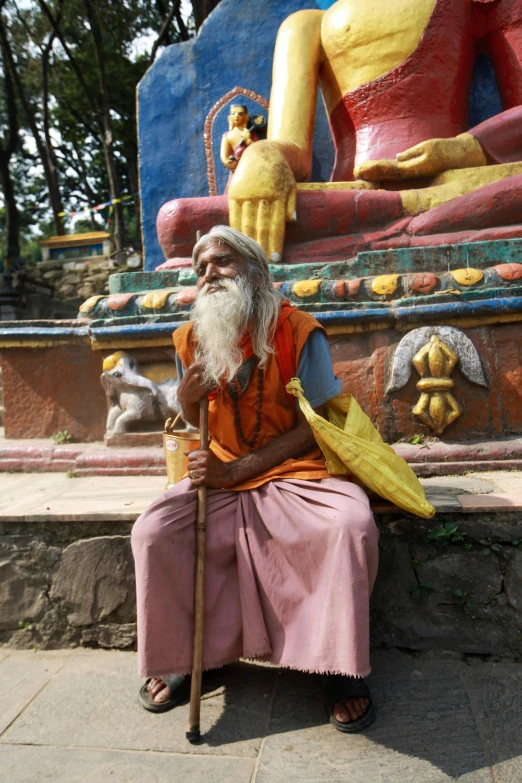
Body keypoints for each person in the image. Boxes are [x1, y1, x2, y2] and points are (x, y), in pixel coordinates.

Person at [131, 225, 380, 732]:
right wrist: (187, 400)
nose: (209, 274)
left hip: (295, 470)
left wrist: (237, 472)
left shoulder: (299, 331)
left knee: (348, 526)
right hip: (217, 470)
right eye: (200, 268)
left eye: (222, 262)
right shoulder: (191, 340)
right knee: (155, 533)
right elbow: (196, 429)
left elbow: (321, 427)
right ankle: (188, 656)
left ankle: (339, 667)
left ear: (256, 273)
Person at [157, 0, 522, 265]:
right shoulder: (307, 25)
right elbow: (292, 148)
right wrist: (262, 157)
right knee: (178, 223)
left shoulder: (479, 3)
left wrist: (464, 149)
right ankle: (421, 220)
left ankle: (411, 220)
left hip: (455, 180)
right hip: (355, 195)